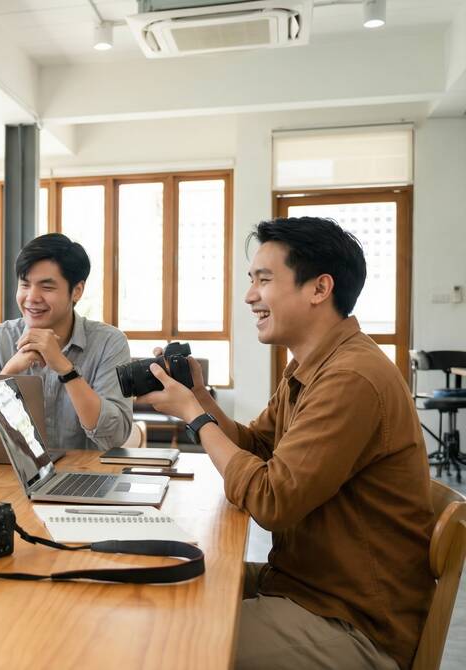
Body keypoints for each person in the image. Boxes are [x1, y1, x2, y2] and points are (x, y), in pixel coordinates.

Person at [140, 217, 433, 670]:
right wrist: (200, 397)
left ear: (319, 288)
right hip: (303, 586)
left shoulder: (351, 377)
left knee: (166, 643)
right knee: (148, 588)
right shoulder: (311, 366)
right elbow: (257, 446)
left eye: (264, 280)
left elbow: (272, 499)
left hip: (351, 622)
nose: (249, 296)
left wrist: (195, 417)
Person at [0, 233, 132, 451]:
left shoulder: (109, 343)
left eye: (46, 287)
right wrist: (9, 372)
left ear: (77, 291)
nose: (32, 297)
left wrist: (66, 370)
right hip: (10, 471)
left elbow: (114, 438)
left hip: (85, 471)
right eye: (25, 285)